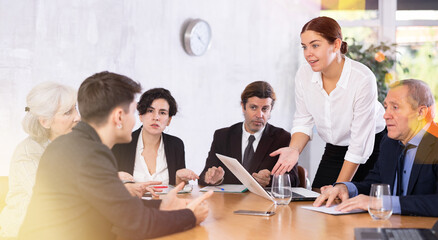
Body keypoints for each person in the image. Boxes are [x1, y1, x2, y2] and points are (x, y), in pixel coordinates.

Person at [18, 71, 213, 240]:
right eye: (133, 110)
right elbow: (138, 224)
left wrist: (164, 203)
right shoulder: (90, 154)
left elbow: (122, 208)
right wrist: (190, 215)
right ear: (119, 116)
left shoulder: (72, 144)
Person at [271, 16, 386, 191]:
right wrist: (294, 149)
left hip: (371, 147)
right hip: (335, 146)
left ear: (336, 44)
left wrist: (339, 186)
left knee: (348, 202)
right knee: (318, 199)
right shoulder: (304, 75)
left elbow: (359, 145)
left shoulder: (362, 78)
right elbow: (303, 120)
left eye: (315, 45)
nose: (308, 53)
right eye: (304, 47)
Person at [313, 79, 438, 217]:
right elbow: (374, 184)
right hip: (390, 227)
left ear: (421, 113)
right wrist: (346, 188)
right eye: (386, 107)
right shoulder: (389, 143)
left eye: (395, 107)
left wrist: (383, 203)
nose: (386, 115)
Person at [0, 82, 80, 238]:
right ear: (45, 121)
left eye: (75, 108)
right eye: (67, 112)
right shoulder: (28, 153)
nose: (78, 116)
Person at [198, 81, 299, 187]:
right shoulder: (223, 136)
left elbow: (295, 181)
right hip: (230, 202)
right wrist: (213, 178)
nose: (259, 115)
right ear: (243, 106)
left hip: (263, 202)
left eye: (265, 109)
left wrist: (271, 179)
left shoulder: (282, 138)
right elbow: (203, 177)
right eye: (253, 107)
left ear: (271, 109)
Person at [112, 88, 198, 189]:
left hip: (166, 203)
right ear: (141, 115)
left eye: (162, 113)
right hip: (131, 203)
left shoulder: (176, 144)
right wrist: (115, 178)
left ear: (169, 120)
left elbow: (179, 190)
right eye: (150, 111)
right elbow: (106, 186)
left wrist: (179, 179)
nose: (156, 117)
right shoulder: (121, 143)